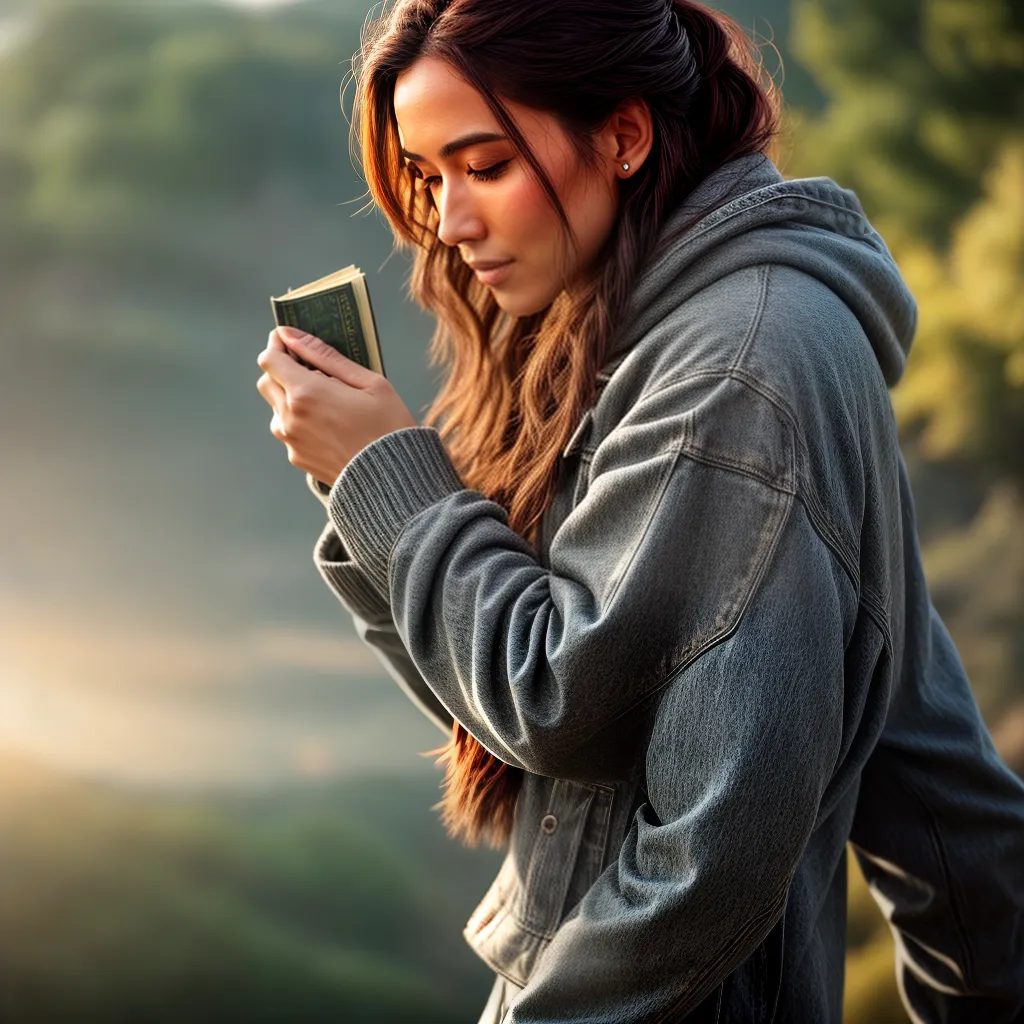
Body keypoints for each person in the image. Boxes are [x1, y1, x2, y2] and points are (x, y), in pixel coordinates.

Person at [254, 0, 1024, 1020]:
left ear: (622, 135)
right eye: (427, 176)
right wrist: (362, 484)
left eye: (484, 166)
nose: (448, 222)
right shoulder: (651, 336)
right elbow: (935, 784)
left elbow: (584, 726)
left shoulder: (736, 371)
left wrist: (391, 481)